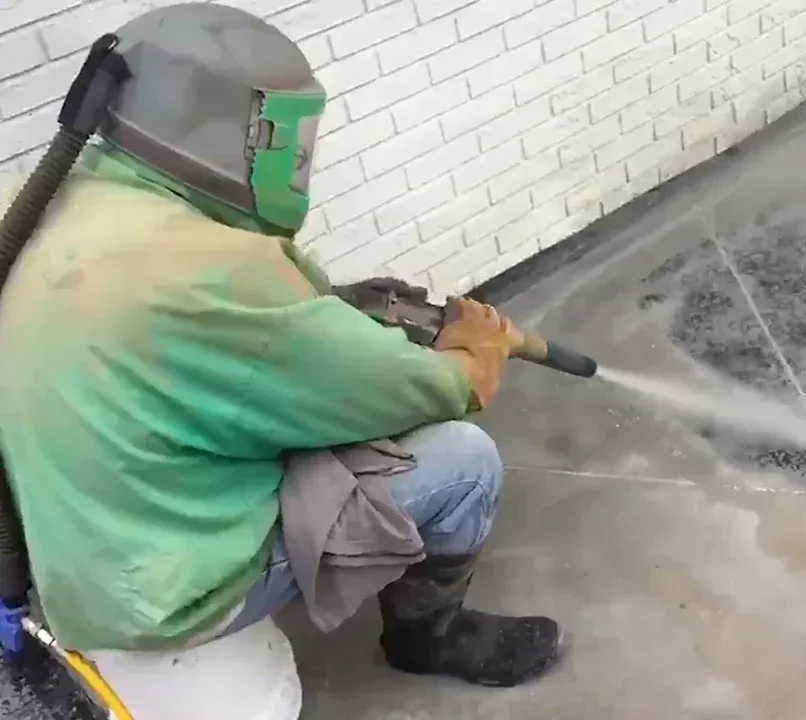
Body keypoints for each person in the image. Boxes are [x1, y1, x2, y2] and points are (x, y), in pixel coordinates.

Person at [0, 2, 560, 691]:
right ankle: (428, 636)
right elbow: (428, 391)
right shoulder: (213, 271)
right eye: (289, 142)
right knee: (467, 462)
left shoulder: (46, 202)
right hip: (165, 591)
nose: (297, 160)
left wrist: (343, 309)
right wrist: (475, 353)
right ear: (243, 134)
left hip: (82, 552)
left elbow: (239, 338)